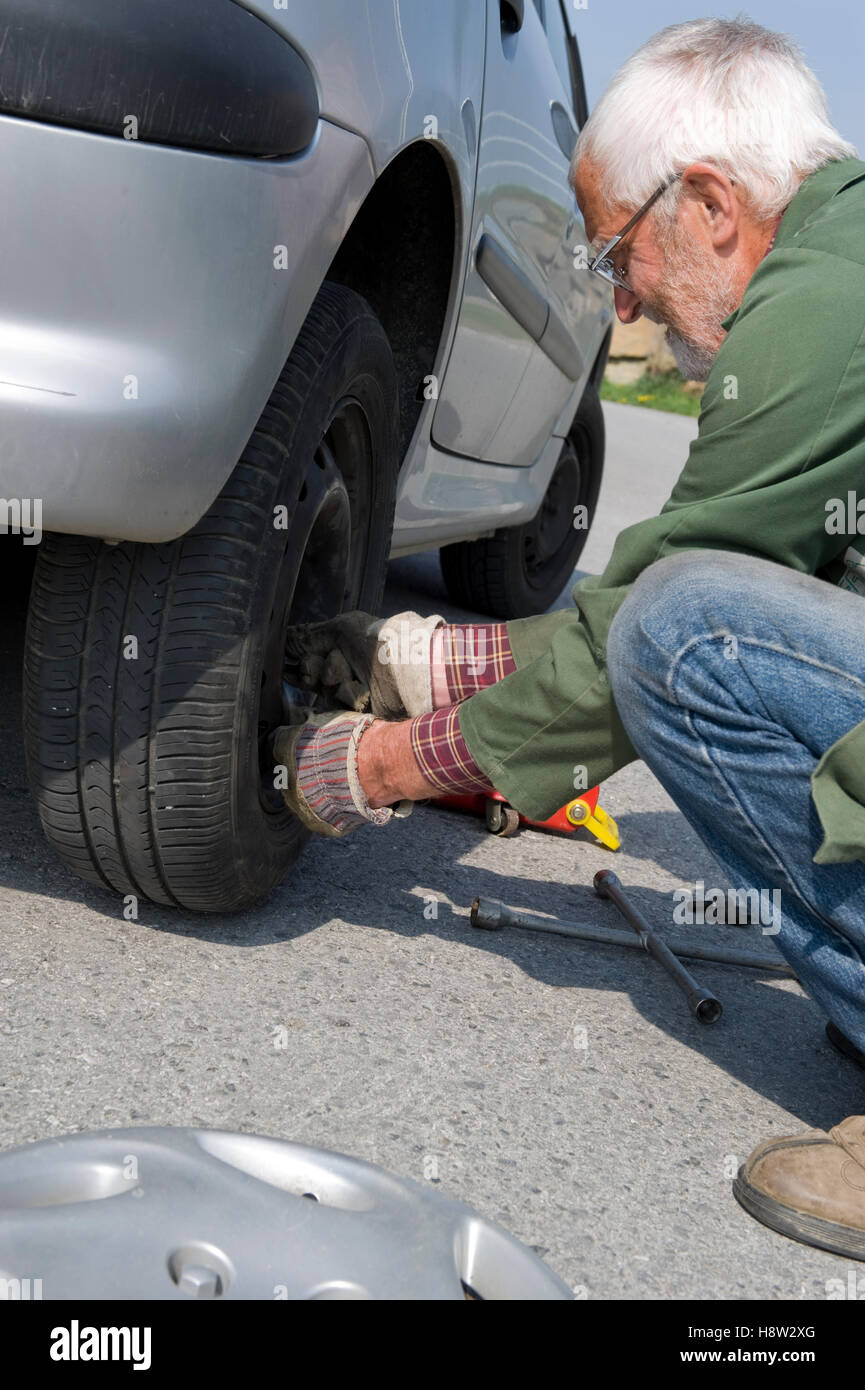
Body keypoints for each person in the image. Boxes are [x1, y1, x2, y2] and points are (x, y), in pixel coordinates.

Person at [275, 19, 865, 1262]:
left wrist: (371, 768)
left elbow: (666, 634)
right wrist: (441, 661)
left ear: (705, 201)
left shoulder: (822, 310)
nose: (622, 296)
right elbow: (785, 602)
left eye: (615, 251)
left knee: (682, 639)